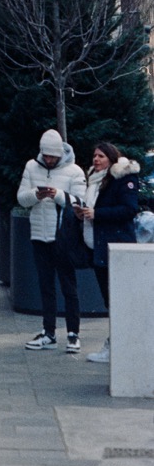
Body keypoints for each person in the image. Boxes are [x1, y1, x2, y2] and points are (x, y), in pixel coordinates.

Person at [17, 128, 86, 352]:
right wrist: (36, 194)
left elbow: (80, 202)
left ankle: (73, 333)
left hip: (63, 237)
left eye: (52, 156)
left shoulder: (74, 171)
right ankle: (49, 332)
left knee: (69, 286)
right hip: (39, 234)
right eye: (45, 155)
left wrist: (57, 195)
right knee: (45, 286)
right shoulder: (31, 166)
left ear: (60, 153)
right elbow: (21, 198)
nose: (48, 160)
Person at [73, 142, 140, 364]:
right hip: (97, 247)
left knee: (118, 299)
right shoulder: (94, 179)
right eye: (94, 156)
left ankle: (119, 345)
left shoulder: (123, 179)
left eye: (101, 156)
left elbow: (129, 209)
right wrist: (83, 213)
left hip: (116, 247)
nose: (96, 160)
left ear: (111, 158)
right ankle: (117, 343)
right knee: (109, 299)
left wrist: (97, 213)